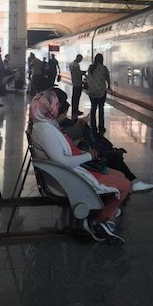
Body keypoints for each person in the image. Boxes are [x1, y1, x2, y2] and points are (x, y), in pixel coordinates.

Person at [30, 91, 129, 244]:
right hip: (68, 177)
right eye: (56, 105)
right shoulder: (45, 131)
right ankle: (99, 221)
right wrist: (89, 156)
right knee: (125, 184)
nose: (58, 108)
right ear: (47, 108)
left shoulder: (45, 125)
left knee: (121, 176)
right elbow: (62, 161)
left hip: (71, 172)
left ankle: (106, 216)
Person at [51, 87, 153, 193]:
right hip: (77, 162)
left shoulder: (50, 123)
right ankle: (132, 182)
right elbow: (67, 147)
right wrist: (87, 152)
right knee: (111, 156)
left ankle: (132, 181)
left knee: (109, 153)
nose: (64, 115)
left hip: (76, 156)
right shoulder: (52, 126)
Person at [86, 53, 111, 134]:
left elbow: (88, 78)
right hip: (101, 92)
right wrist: (109, 86)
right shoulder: (104, 68)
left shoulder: (90, 68)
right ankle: (101, 127)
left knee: (93, 109)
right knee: (101, 109)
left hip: (92, 92)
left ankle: (93, 127)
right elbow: (107, 78)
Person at [69, 54, 85, 119]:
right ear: (78, 58)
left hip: (75, 82)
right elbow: (78, 73)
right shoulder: (76, 65)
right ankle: (75, 111)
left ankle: (75, 110)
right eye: (80, 59)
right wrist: (83, 72)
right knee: (76, 97)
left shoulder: (72, 64)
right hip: (78, 83)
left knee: (74, 97)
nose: (80, 61)